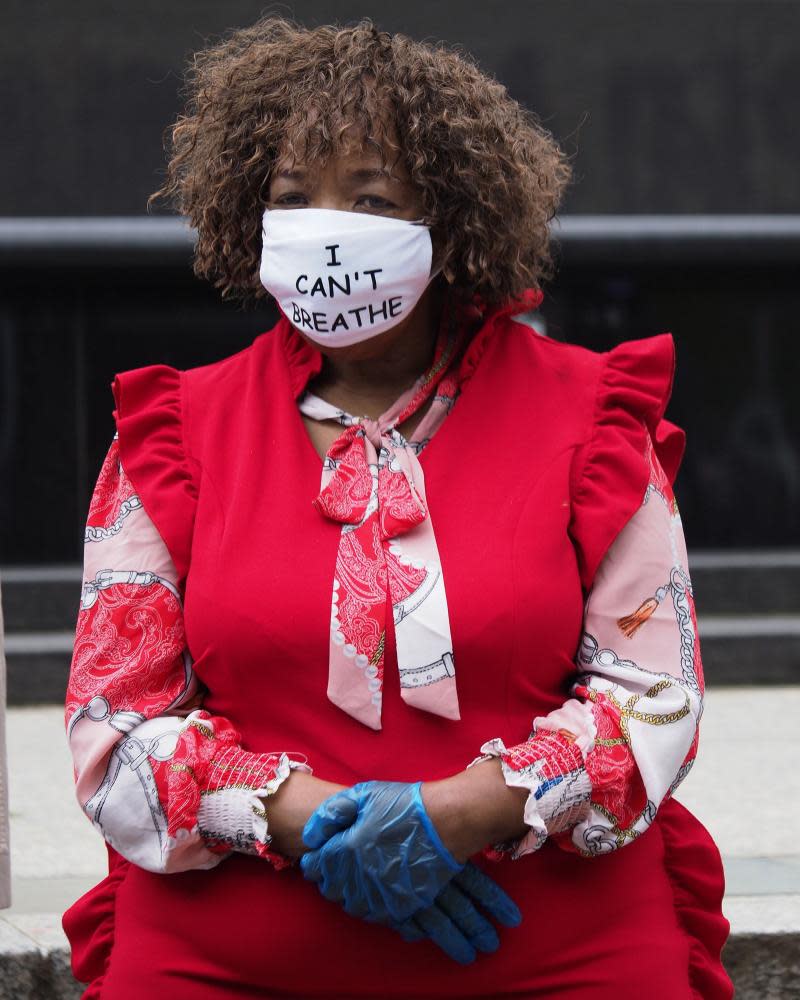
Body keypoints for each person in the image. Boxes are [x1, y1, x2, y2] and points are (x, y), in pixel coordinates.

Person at [62, 16, 733, 999]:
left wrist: (456, 815)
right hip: (231, 946)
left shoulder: (591, 421)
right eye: (294, 198)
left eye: (367, 197)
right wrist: (318, 823)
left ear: (449, 221)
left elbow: (654, 695)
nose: (324, 226)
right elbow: (112, 723)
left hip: (548, 937)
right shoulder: (172, 435)